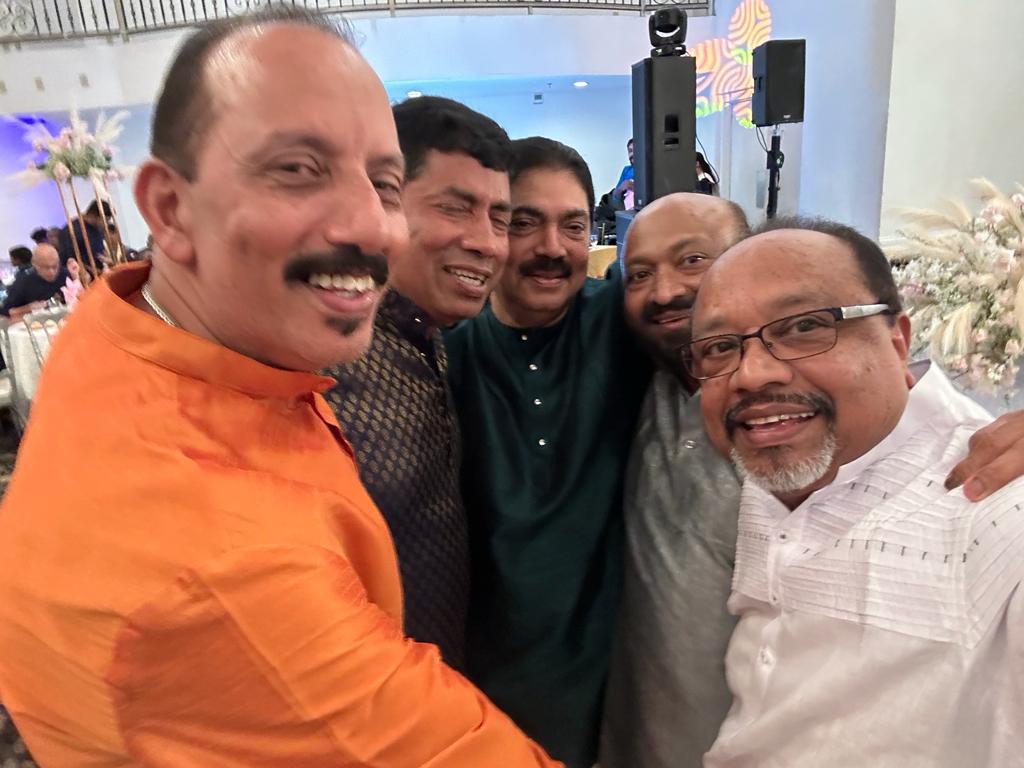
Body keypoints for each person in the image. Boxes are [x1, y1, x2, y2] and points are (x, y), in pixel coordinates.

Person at [0, 9, 558, 767]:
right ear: (169, 208)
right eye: (298, 169)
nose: (373, 226)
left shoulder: (139, 326)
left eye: (384, 183)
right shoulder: (226, 564)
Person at [602, 196, 1024, 768]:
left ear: (898, 338)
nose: (753, 373)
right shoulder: (769, 464)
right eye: (720, 347)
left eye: (804, 327)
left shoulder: (994, 507)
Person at [445, 137, 652, 767]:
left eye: (574, 226)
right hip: (478, 671)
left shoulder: (624, 321)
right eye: (524, 223)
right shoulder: (443, 344)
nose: (553, 248)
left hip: (612, 667)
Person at [322, 95, 511, 668]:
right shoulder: (315, 358)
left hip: (439, 686)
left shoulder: (433, 336)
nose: (487, 241)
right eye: (456, 208)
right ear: (384, 202)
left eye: (500, 219)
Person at [600, 192, 750, 768]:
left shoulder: (802, 403)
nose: (664, 292)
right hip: (637, 734)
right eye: (639, 274)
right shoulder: (646, 375)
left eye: (692, 260)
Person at [0, 244, 65, 320]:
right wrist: (29, 308)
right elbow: (5, 312)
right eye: (46, 267)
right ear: (34, 265)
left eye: (55, 266)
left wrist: (75, 276)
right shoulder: (23, 282)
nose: (52, 272)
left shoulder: (64, 274)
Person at [56, 198, 112, 273]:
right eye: (105, 220)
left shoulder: (98, 228)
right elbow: (69, 259)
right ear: (93, 215)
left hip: (102, 274)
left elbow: (101, 251)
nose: (106, 224)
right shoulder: (71, 230)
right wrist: (94, 271)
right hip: (83, 276)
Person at [612, 137, 634, 209]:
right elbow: (615, 197)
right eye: (630, 151)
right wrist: (620, 189)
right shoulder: (627, 170)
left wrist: (633, 186)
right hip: (625, 210)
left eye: (636, 150)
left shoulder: (650, 170)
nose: (632, 154)